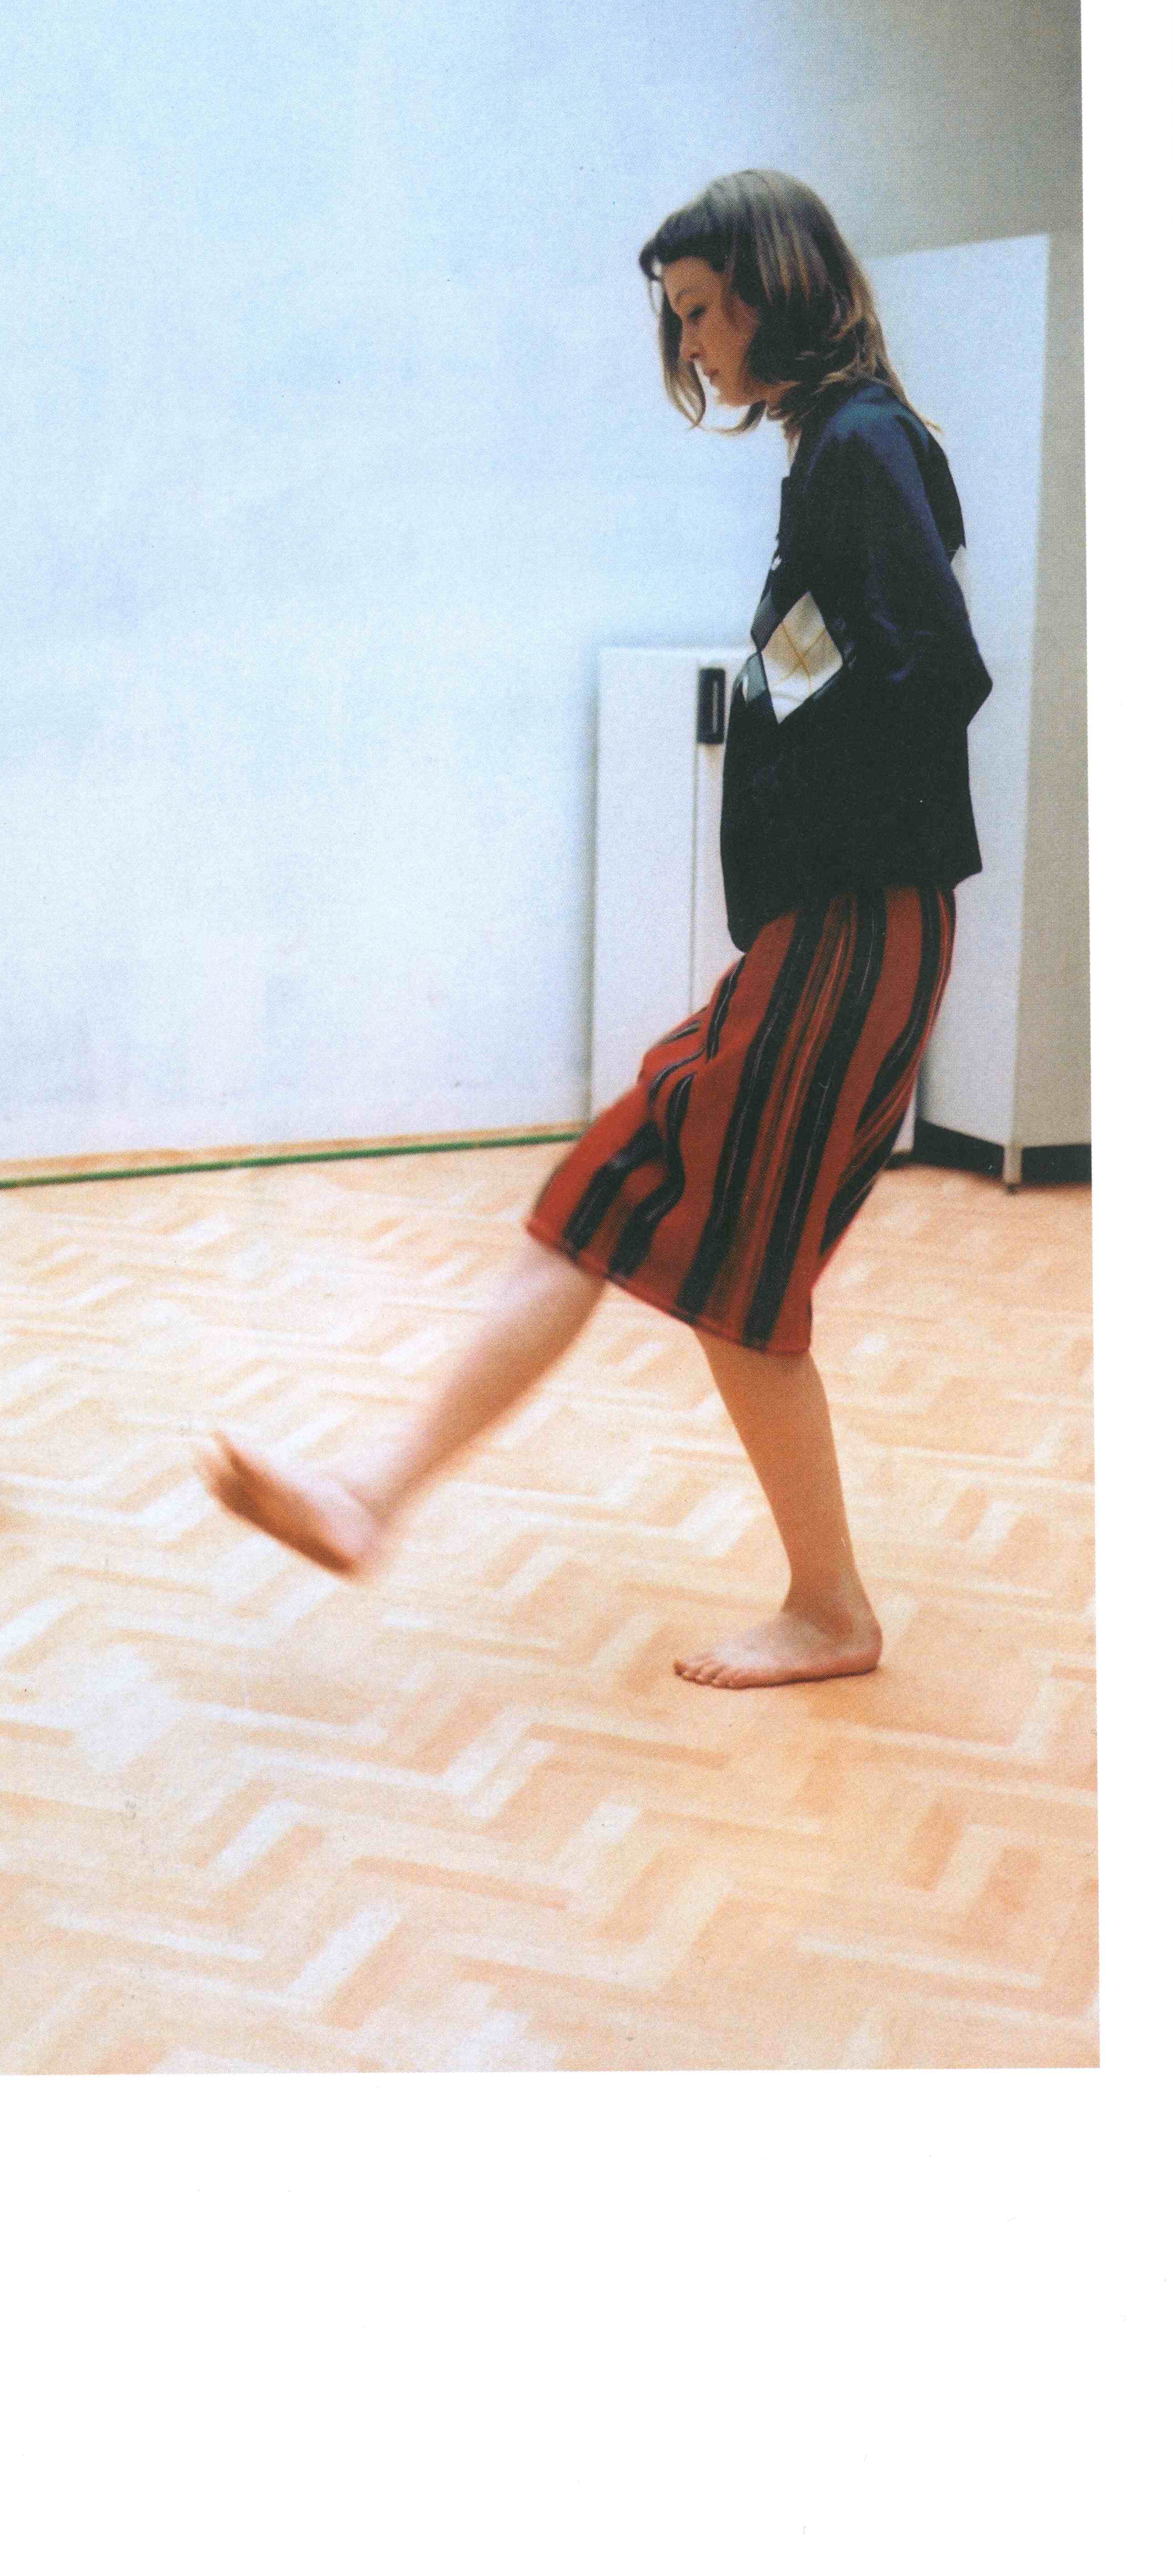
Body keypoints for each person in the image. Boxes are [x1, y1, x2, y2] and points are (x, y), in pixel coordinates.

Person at [201, 169, 991, 1690]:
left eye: (699, 311)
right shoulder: (831, 448)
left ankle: (826, 1609)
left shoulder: (861, 443)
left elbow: (934, 668)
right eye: (676, 318)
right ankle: (376, 1496)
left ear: (769, 286)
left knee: (719, 1262)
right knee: (621, 1195)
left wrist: (805, 775)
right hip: (821, 932)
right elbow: (846, 663)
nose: (688, 345)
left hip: (854, 929)